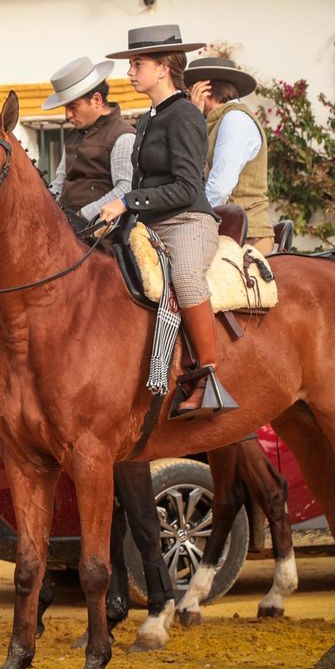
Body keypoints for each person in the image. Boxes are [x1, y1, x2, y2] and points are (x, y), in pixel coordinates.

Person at [97, 25, 235, 421]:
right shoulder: (147, 120)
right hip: (149, 227)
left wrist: (127, 201)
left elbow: (188, 187)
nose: (129, 72)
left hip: (188, 221)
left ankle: (208, 377)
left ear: (162, 69)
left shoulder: (186, 115)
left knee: (188, 278)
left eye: (136, 64)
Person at [187, 56, 274, 252]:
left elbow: (220, 188)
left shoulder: (234, 120)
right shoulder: (216, 121)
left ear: (203, 90)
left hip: (246, 236)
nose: (188, 98)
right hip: (229, 231)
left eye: (189, 91)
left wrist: (191, 223)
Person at [42, 56, 134, 237]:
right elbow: (59, 183)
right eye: (65, 108)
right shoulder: (73, 135)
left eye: (73, 106)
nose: (68, 115)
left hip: (104, 233)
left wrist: (83, 216)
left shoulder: (123, 136)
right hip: (67, 227)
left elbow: (126, 188)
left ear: (97, 100)